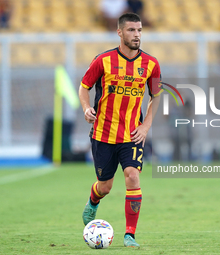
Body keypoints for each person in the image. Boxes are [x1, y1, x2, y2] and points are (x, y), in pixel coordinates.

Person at [79, 13, 163, 248]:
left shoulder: (151, 64)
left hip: (132, 134)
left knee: (133, 177)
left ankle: (129, 235)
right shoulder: (102, 60)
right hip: (103, 134)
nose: (137, 35)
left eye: (139, 30)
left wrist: (145, 126)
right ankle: (93, 200)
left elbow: (156, 97)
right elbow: (83, 87)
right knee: (105, 185)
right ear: (119, 32)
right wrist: (86, 108)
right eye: (131, 30)